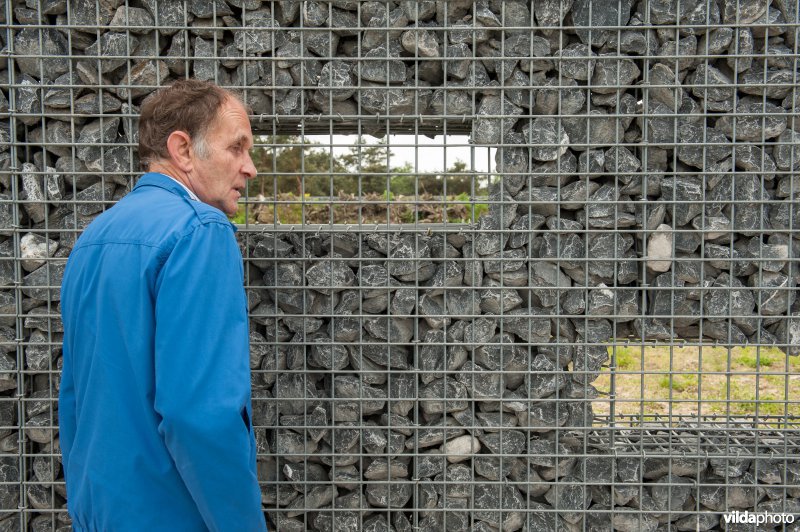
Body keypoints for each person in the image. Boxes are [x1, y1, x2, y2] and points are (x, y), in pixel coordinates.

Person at [58, 79, 266, 531]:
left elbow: (74, 398)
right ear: (184, 150)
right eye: (237, 148)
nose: (250, 168)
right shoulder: (199, 232)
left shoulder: (94, 238)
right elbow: (200, 415)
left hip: (100, 512)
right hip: (171, 514)